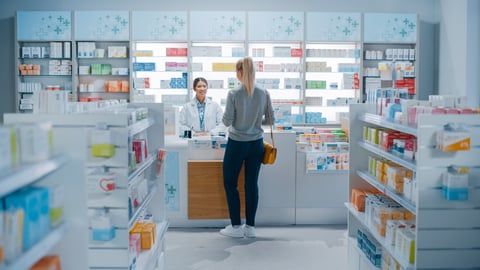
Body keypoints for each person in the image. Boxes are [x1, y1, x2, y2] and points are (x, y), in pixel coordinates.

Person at [220, 56, 274, 238]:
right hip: (256, 145)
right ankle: (250, 227)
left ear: (240, 72)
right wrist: (255, 119)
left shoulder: (233, 93)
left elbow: (227, 121)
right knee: (251, 184)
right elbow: (271, 120)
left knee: (230, 183)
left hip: (236, 144)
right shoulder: (264, 92)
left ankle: (235, 227)